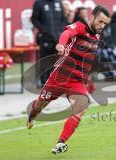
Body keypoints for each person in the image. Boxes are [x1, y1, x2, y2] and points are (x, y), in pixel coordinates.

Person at [27, 5, 110, 154]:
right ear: (92, 17)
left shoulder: (97, 37)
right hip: (59, 77)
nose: (102, 26)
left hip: (77, 81)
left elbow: (87, 59)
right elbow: (67, 33)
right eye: (100, 21)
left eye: (105, 23)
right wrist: (61, 44)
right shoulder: (79, 27)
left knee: (81, 107)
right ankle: (31, 116)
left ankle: (61, 142)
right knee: (40, 106)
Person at [31, 0, 66, 86]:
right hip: (45, 38)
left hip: (58, 38)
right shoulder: (39, 3)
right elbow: (34, 19)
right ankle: (44, 83)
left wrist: (60, 30)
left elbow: (63, 19)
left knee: (56, 60)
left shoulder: (58, 2)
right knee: (45, 61)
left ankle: (54, 82)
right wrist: (44, 30)